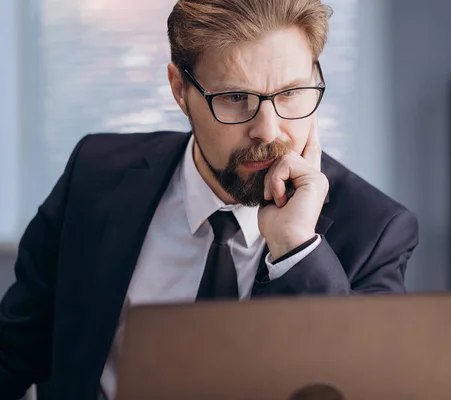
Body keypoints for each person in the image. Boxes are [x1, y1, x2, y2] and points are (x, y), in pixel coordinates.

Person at [0, 0, 418, 399]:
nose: (269, 131)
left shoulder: (376, 231)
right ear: (180, 89)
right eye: (236, 98)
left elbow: (358, 388)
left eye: (291, 94)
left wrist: (296, 250)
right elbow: (13, 351)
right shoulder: (94, 176)